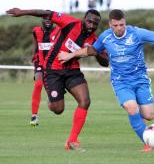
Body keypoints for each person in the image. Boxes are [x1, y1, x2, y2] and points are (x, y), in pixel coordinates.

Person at [58, 9, 154, 152]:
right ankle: (147, 142)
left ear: (125, 22)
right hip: (121, 81)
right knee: (132, 107)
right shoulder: (105, 37)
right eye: (115, 25)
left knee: (149, 115)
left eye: (121, 25)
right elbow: (91, 51)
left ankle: (140, 119)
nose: (119, 28)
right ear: (110, 24)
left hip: (140, 80)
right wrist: (69, 55)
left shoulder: (137, 33)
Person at [6, 8, 108, 151]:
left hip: (72, 71)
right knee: (58, 109)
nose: (91, 25)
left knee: (85, 101)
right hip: (53, 70)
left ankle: (72, 141)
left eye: (95, 23)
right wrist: (22, 12)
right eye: (89, 21)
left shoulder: (94, 40)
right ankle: (52, 100)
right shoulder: (71, 23)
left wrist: (96, 52)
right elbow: (46, 13)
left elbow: (105, 62)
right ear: (84, 19)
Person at [30, 16, 60, 126]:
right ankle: (34, 116)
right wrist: (33, 55)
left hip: (53, 63)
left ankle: (50, 97)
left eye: (50, 19)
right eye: (45, 18)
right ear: (42, 20)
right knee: (38, 84)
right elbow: (36, 44)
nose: (48, 20)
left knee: (56, 88)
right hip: (40, 62)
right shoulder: (36, 31)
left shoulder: (58, 31)